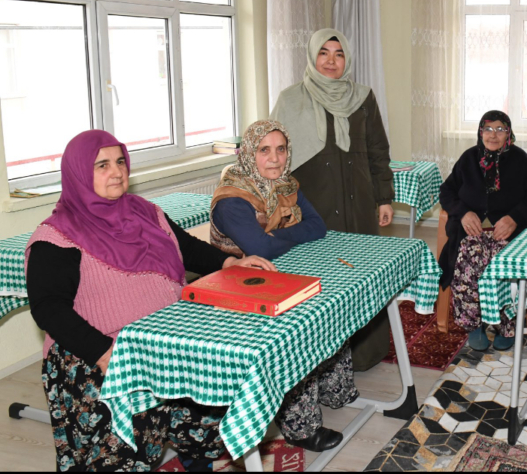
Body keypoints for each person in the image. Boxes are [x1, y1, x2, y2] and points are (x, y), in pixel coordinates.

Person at [25, 130, 275, 472]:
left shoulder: (145, 212)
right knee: (123, 438)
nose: (116, 171)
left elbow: (185, 247)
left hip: (161, 333)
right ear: (79, 172)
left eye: (120, 162)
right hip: (94, 349)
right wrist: (103, 352)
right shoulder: (56, 237)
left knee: (225, 374)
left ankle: (197, 455)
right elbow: (49, 308)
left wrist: (228, 263)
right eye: (102, 165)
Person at [208, 120, 357, 452]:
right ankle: (300, 427)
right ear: (248, 153)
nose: (275, 159)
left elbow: (318, 226)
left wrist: (278, 237)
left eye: (281, 149)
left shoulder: (285, 184)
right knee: (297, 333)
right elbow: (261, 250)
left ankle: (334, 390)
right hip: (237, 291)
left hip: (279, 273)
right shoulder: (233, 198)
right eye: (264, 150)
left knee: (331, 304)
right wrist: (275, 241)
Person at [271, 28, 394, 371]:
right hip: (313, 207)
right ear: (312, 57)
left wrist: (384, 198)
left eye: (338, 54)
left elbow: (378, 150)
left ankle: (365, 354)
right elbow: (274, 158)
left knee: (363, 278)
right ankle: (322, 360)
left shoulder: (363, 97)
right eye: (323, 52)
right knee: (322, 282)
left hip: (358, 203)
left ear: (347, 60)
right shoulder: (290, 99)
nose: (330, 60)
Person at [439, 110, 527, 351]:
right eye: (488, 128)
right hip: (471, 232)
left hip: (507, 232)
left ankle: (505, 326)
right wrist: (463, 212)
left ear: (509, 133)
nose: (494, 134)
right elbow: (446, 191)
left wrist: (514, 218)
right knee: (469, 261)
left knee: (503, 266)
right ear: (480, 132)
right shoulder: (468, 159)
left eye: (500, 129)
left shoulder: (520, 159)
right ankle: (475, 324)